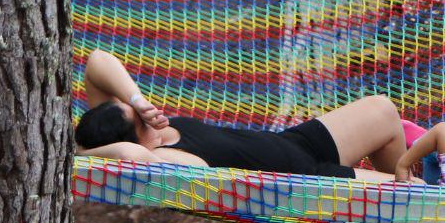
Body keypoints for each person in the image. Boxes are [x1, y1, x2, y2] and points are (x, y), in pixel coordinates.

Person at [74, 50, 405, 180]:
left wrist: (137, 99)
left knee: (383, 110)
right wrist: (79, 155)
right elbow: (132, 156)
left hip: (294, 143)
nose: (148, 116)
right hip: (306, 184)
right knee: (415, 194)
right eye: (139, 120)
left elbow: (97, 63)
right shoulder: (164, 163)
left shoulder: (144, 128)